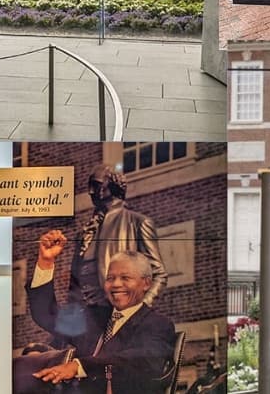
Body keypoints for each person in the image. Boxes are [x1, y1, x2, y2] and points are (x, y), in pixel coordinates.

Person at [24, 234, 176, 394]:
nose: (116, 284)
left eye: (125, 278)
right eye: (110, 278)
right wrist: (46, 262)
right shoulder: (93, 317)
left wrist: (79, 366)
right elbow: (47, 315)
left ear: (146, 283)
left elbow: (141, 360)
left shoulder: (157, 324)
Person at [70, 164, 167, 307]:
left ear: (113, 184)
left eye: (96, 185)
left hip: (118, 314)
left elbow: (158, 274)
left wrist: (139, 310)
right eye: (89, 186)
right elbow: (74, 285)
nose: (90, 192)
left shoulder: (137, 223)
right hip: (86, 319)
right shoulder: (84, 233)